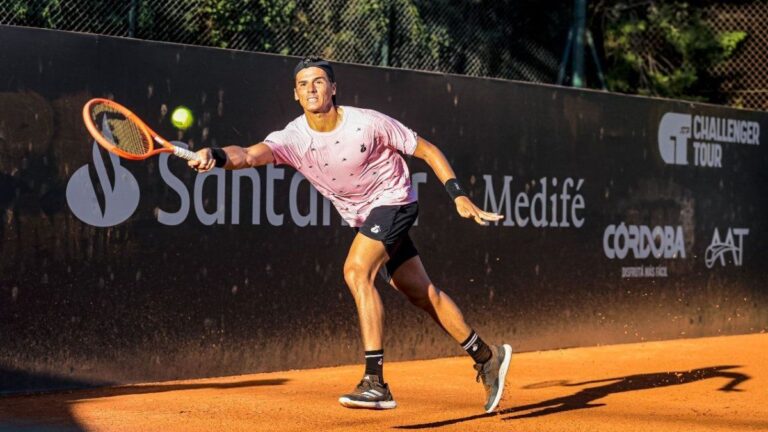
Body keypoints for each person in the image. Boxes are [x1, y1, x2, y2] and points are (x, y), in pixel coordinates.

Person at [189, 57, 512, 413]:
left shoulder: (367, 123)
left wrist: (458, 194)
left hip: (395, 201)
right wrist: (216, 156)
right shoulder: (293, 137)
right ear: (295, 95)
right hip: (363, 218)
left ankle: (375, 382)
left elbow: (427, 150)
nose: (311, 89)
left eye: (318, 82)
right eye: (303, 84)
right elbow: (249, 155)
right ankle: (486, 355)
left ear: (333, 88)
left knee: (356, 271)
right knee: (422, 293)